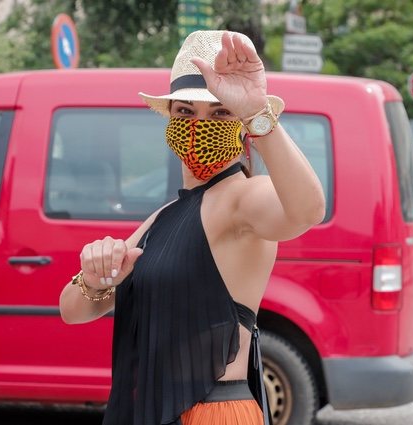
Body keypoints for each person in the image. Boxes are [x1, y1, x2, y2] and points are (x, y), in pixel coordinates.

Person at [59, 30, 325, 425]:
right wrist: (96, 277)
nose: (200, 125)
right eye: (186, 112)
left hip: (213, 412)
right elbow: (72, 310)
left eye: (219, 113)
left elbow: (306, 210)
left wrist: (256, 114)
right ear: (169, 118)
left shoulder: (242, 199)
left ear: (239, 125)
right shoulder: (163, 216)